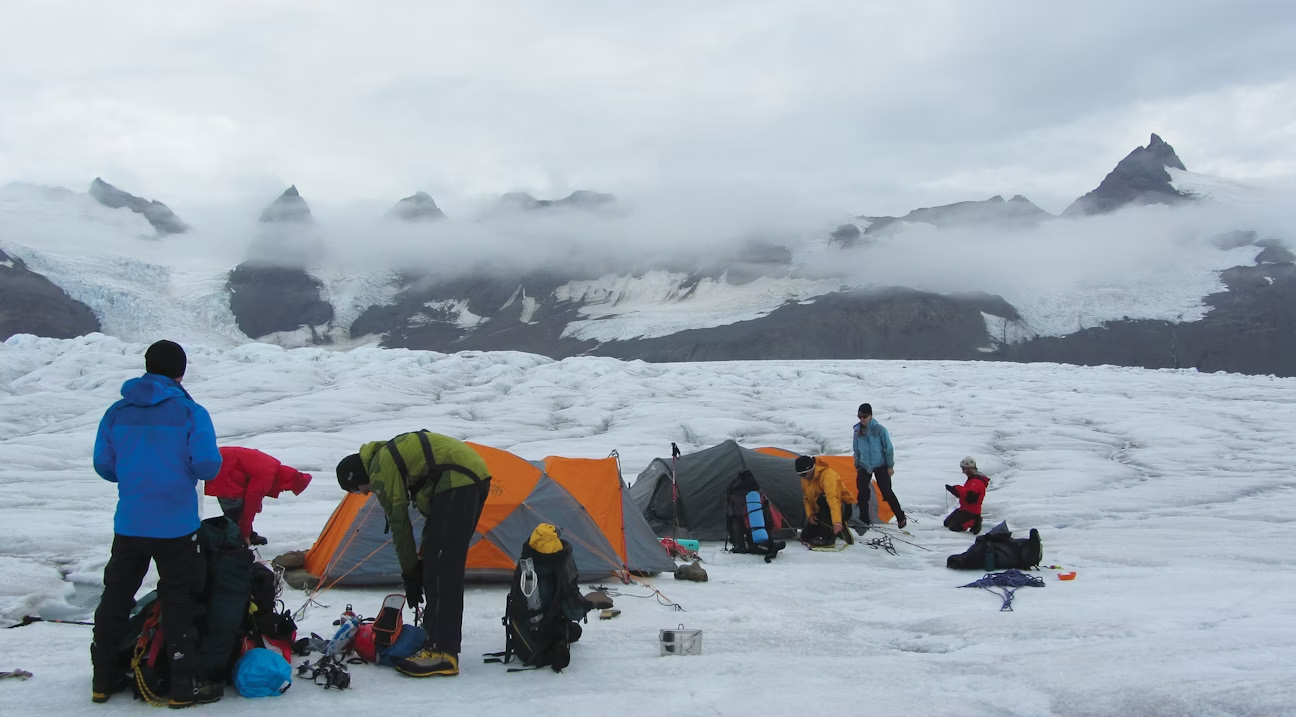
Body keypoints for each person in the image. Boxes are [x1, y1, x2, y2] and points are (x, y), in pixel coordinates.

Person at [90, 340, 224, 707]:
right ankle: (183, 685)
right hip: (177, 525)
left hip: (130, 522)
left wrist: (137, 475)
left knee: (116, 596)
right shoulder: (190, 411)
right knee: (179, 599)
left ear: (147, 366)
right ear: (181, 371)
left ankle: (103, 679)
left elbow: (104, 465)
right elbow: (207, 466)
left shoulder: (117, 411)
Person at [335, 431, 492, 678]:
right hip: (466, 478)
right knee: (435, 560)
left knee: (443, 568)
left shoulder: (380, 467)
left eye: (358, 490)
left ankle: (443, 653)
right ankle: (433, 640)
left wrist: (410, 573)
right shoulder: (386, 459)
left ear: (358, 478)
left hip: (459, 480)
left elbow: (399, 524)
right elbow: (431, 520)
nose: (365, 494)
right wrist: (420, 562)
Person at [204, 446, 313, 546]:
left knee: (240, 506)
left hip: (225, 463)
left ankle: (243, 536)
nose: (283, 491)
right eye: (287, 488)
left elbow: (254, 497)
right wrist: (245, 535)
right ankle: (235, 542)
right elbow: (250, 505)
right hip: (224, 469)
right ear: (286, 482)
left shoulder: (273, 469)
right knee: (234, 510)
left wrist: (256, 507)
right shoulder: (267, 475)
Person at [853, 403, 907, 530]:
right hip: (864, 465)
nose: (862, 419)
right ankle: (864, 520)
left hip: (880, 464)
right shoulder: (857, 430)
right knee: (862, 493)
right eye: (860, 416)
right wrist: (857, 463)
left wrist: (890, 466)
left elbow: (889, 448)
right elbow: (856, 448)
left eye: (864, 416)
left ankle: (900, 516)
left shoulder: (879, 430)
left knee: (886, 492)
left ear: (870, 416)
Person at [796, 455, 856, 545]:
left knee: (822, 499)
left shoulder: (828, 475)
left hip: (842, 508)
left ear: (812, 468)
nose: (803, 477)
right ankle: (839, 529)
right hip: (821, 511)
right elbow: (807, 499)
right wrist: (810, 516)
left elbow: (833, 499)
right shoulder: (805, 479)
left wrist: (837, 521)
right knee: (805, 537)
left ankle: (828, 537)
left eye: (804, 474)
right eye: (800, 475)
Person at [944, 456, 989, 534]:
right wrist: (953, 490)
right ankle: (971, 520)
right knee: (947, 523)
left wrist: (957, 488)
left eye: (963, 469)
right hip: (964, 508)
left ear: (969, 469)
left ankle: (975, 521)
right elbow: (965, 495)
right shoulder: (972, 479)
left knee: (954, 527)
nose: (963, 471)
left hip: (972, 511)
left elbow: (969, 495)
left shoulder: (976, 481)